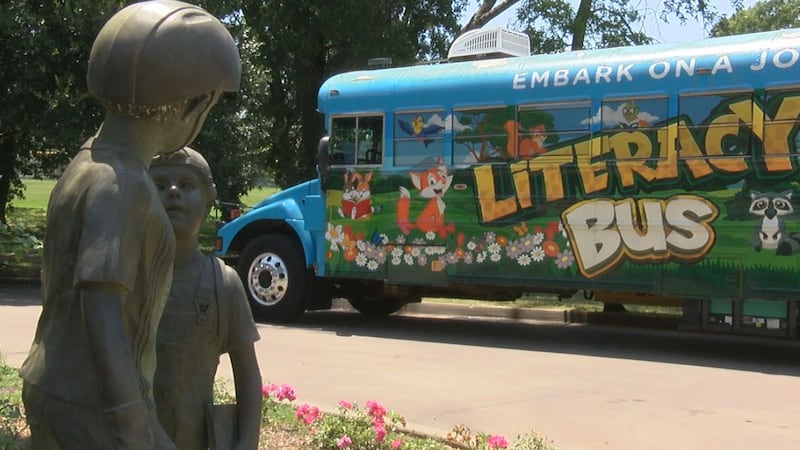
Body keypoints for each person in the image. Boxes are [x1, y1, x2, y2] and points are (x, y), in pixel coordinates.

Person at [18, 1, 241, 448]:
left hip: (57, 385)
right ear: (192, 105)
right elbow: (100, 300)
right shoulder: (123, 184)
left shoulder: (87, 162)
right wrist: (129, 415)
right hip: (94, 399)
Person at [150, 147, 261, 450]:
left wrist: (246, 441)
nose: (172, 192)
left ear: (209, 196)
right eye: (158, 185)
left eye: (186, 185)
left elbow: (247, 372)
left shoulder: (222, 284)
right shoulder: (127, 280)